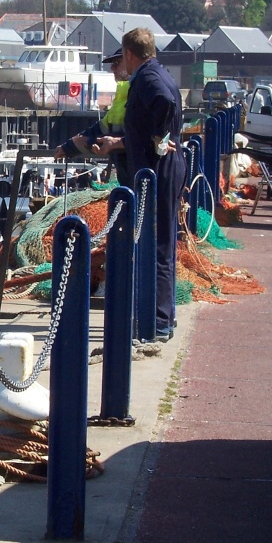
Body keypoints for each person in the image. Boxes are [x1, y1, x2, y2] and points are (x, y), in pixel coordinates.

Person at [121, 27, 187, 342]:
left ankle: (159, 321)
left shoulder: (147, 78)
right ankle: (164, 317)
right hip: (163, 167)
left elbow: (164, 102)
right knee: (162, 244)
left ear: (129, 54)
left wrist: (159, 137)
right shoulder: (157, 70)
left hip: (157, 171)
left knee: (158, 245)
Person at [53, 48, 131, 186]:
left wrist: (88, 143)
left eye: (117, 62)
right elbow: (101, 129)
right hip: (128, 175)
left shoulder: (138, 92)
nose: (112, 68)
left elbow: (122, 138)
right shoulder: (122, 93)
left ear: (130, 59)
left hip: (142, 174)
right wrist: (69, 146)